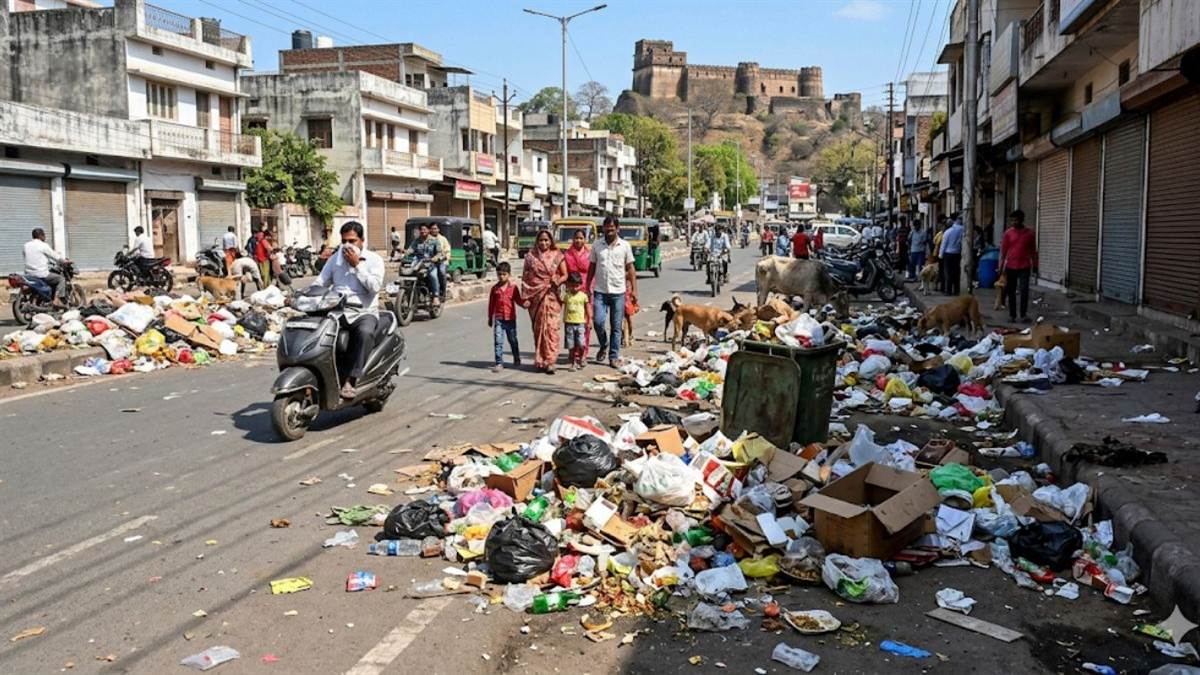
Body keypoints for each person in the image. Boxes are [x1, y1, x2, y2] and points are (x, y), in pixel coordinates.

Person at [310, 221, 385, 399]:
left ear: (362, 241)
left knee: (365, 333)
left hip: (363, 312)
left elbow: (374, 287)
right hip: (337, 311)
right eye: (344, 241)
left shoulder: (374, 260)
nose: (348, 246)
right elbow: (320, 282)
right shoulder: (334, 260)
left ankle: (351, 380)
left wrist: (356, 265)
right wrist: (305, 294)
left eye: (352, 241)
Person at [587, 215, 637, 368]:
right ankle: (603, 344)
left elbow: (630, 269)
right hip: (600, 291)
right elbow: (592, 267)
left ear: (617, 229)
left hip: (618, 291)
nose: (609, 232)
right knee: (598, 322)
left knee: (616, 326)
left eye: (612, 229)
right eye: (606, 229)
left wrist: (634, 290)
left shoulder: (625, 246)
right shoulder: (597, 245)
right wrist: (587, 286)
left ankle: (613, 356)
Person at [522, 229, 567, 373]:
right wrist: (526, 297)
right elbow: (525, 278)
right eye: (541, 240)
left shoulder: (557, 255)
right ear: (537, 241)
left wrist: (558, 280)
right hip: (536, 297)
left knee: (552, 329)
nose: (544, 243)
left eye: (546, 240)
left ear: (551, 241)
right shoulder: (530, 257)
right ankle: (541, 360)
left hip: (552, 296)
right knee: (538, 330)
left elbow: (565, 274)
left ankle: (551, 361)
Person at [999, 209, 1037, 323]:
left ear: (1021, 220)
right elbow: (1003, 251)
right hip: (1011, 266)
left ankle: (1023, 314)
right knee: (1011, 292)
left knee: (1024, 291)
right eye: (1012, 220)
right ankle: (1012, 315)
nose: (1014, 222)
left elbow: (1033, 251)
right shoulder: (1008, 233)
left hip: (1024, 266)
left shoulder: (1030, 234)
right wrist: (1001, 268)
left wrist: (1035, 265)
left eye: (1016, 220)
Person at [487, 261, 522, 372]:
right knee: (498, 341)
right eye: (499, 274)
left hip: (510, 319)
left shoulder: (513, 288)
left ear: (509, 274)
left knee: (512, 340)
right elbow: (491, 304)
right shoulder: (495, 289)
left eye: (504, 274)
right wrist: (490, 317)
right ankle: (499, 363)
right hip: (499, 319)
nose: (501, 277)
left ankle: (516, 358)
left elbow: (518, 300)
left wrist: (526, 304)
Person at [562, 228, 594, 354]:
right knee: (571, 323)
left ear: (585, 240)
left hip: (586, 289)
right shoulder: (567, 255)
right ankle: (572, 353)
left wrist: (590, 288)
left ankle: (583, 353)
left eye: (581, 238)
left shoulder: (590, 254)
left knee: (584, 322)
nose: (578, 240)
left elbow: (593, 272)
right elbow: (564, 272)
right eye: (576, 238)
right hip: (571, 289)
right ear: (573, 239)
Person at [23, 227, 66, 305]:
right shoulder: (43, 245)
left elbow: (29, 257)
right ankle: (57, 300)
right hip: (41, 274)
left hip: (29, 275)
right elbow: (55, 256)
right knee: (61, 279)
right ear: (41, 236)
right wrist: (64, 261)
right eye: (44, 235)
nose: (45, 237)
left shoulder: (26, 245)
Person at [407, 223, 441, 303]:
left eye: (425, 229)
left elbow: (439, 253)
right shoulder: (416, 241)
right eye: (421, 230)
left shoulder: (434, 240)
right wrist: (403, 254)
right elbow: (410, 250)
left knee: (433, 276)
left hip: (430, 265)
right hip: (418, 264)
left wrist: (435, 258)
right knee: (408, 276)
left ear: (429, 230)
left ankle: (436, 296)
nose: (423, 231)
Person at [562, 272, 589, 371]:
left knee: (581, 343)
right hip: (569, 323)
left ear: (580, 285)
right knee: (571, 345)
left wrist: (589, 320)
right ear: (568, 285)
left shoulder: (583, 296)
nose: (575, 288)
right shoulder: (567, 296)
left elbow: (587, 308)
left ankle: (582, 357)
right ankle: (573, 363)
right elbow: (563, 306)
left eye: (577, 286)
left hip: (580, 323)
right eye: (572, 286)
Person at [940, 214, 965, 296]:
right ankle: (956, 290)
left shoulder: (948, 232)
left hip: (948, 254)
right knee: (956, 272)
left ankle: (948, 291)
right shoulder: (962, 229)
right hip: (957, 254)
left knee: (948, 273)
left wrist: (940, 255)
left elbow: (944, 244)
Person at [429, 222, 451, 299]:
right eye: (432, 229)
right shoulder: (426, 239)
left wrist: (444, 258)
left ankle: (442, 291)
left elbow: (447, 251)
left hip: (441, 261)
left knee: (441, 271)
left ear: (438, 229)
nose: (434, 230)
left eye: (435, 228)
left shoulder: (443, 239)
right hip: (429, 262)